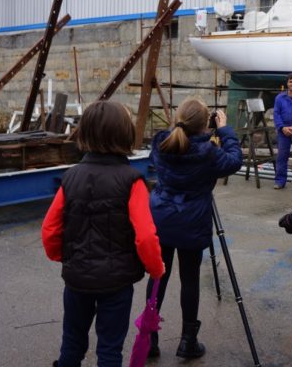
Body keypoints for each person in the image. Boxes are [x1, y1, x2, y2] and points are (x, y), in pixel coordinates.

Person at [42, 101, 165, 367]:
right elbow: (145, 236)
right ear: (124, 134)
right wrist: (156, 268)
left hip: (76, 279)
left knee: (72, 342)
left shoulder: (70, 177)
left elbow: (50, 228)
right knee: (110, 349)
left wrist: (63, 257)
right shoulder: (132, 181)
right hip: (116, 283)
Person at [145, 98, 243, 359]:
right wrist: (224, 130)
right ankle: (188, 342)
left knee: (158, 277)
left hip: (162, 218)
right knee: (189, 280)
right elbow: (234, 161)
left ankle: (149, 338)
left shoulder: (161, 143)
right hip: (192, 220)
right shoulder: (208, 153)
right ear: (204, 125)